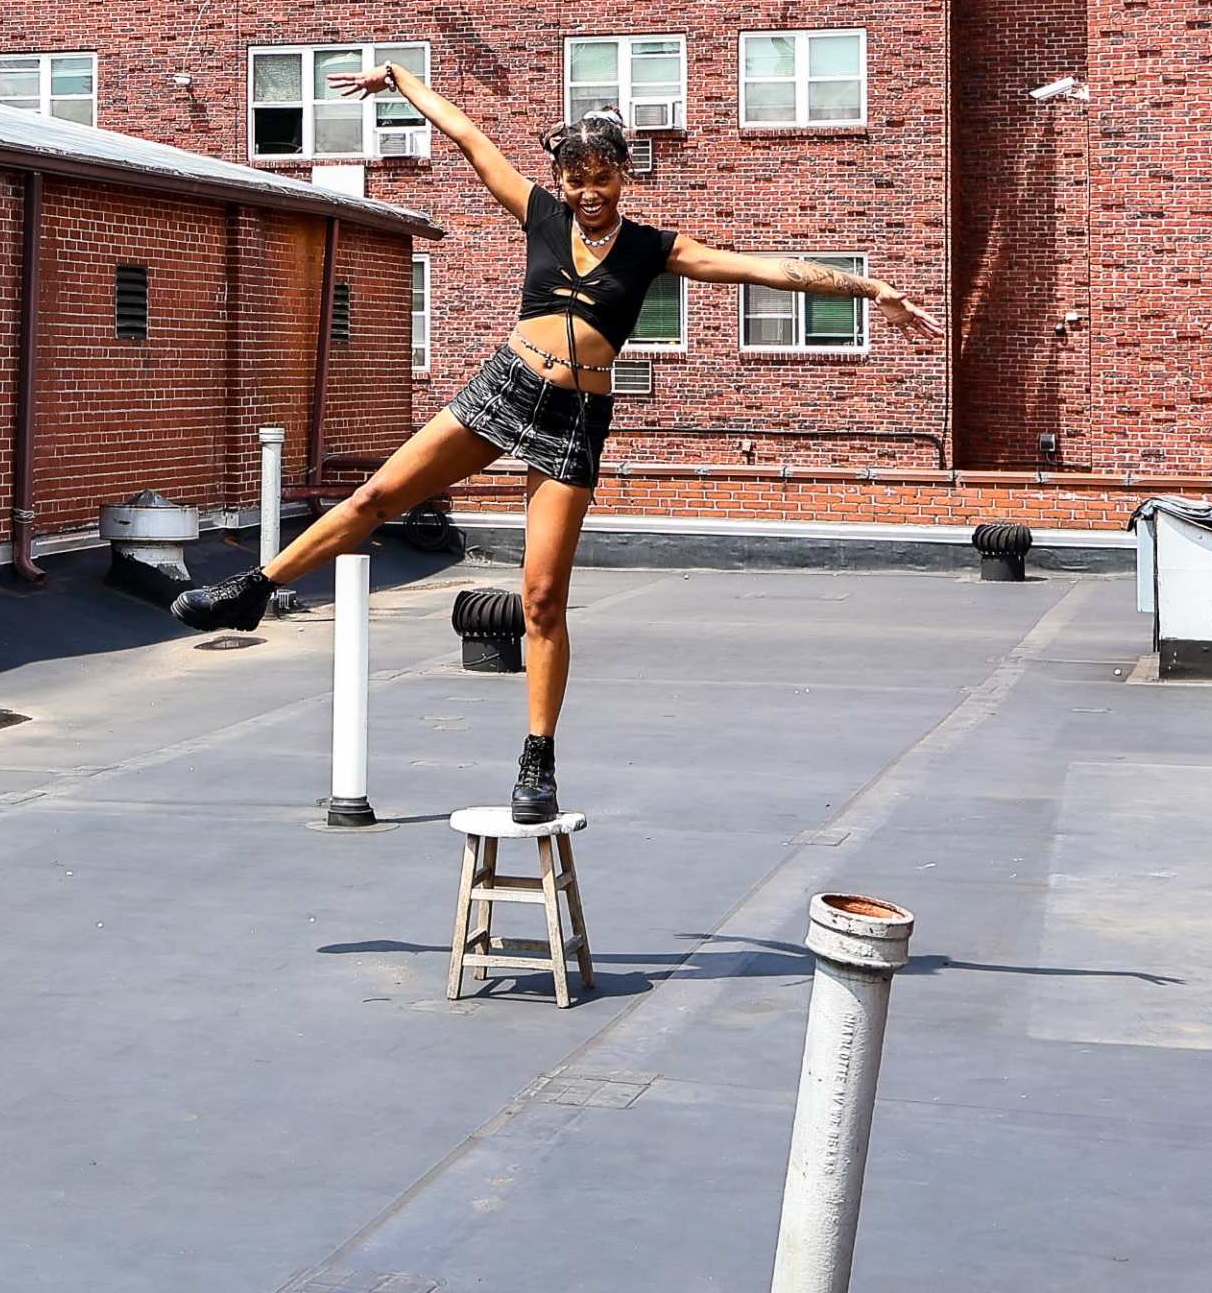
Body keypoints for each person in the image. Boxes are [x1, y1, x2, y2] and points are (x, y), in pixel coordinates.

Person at [172, 68, 936, 824]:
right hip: (503, 385)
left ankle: (538, 755)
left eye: (600, 177)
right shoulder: (539, 211)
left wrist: (870, 291)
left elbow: (760, 268)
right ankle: (255, 590)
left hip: (573, 418)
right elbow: (469, 136)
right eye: (575, 179)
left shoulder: (651, 248)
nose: (587, 191)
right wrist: (401, 79)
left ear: (623, 176)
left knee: (541, 596)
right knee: (375, 495)